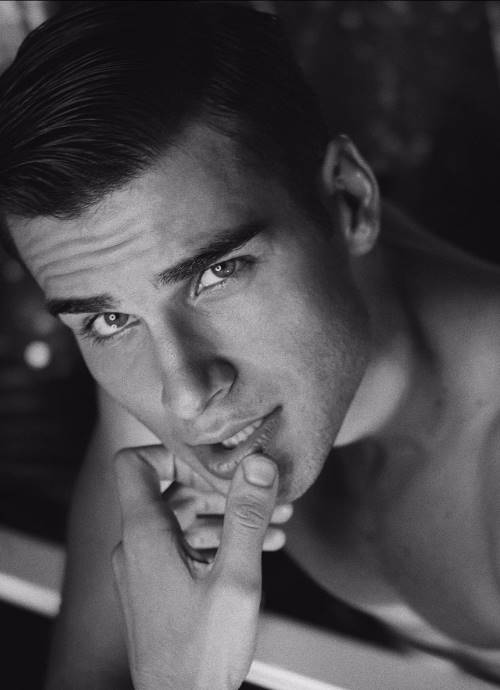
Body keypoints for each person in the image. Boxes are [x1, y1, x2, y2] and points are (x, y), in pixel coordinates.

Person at [2, 1, 500, 687]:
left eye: (216, 274)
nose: (183, 394)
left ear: (350, 201)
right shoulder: (160, 352)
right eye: (108, 320)